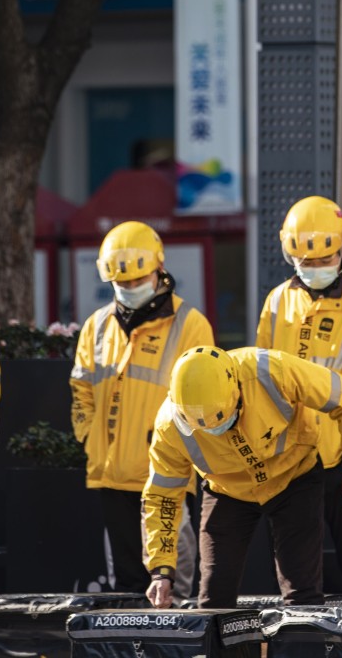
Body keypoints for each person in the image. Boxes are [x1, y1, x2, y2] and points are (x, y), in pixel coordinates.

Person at [143, 345, 342, 609]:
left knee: (302, 593)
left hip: (294, 478)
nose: (214, 431)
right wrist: (161, 570)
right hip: (227, 491)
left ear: (237, 391)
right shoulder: (168, 428)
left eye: (222, 421)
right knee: (214, 598)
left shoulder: (271, 371)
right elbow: (162, 497)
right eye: (202, 427)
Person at [256, 195, 342, 595]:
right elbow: (261, 380)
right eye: (305, 261)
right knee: (296, 571)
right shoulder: (278, 301)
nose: (314, 268)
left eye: (323, 259)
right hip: (289, 459)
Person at [71, 221, 214, 598]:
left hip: (167, 475)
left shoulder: (190, 324)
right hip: (112, 473)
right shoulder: (97, 325)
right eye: (122, 283)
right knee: (127, 587)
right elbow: (81, 387)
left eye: (137, 280)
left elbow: (204, 396)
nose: (130, 288)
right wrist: (89, 435)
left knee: (173, 585)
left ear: (159, 269)